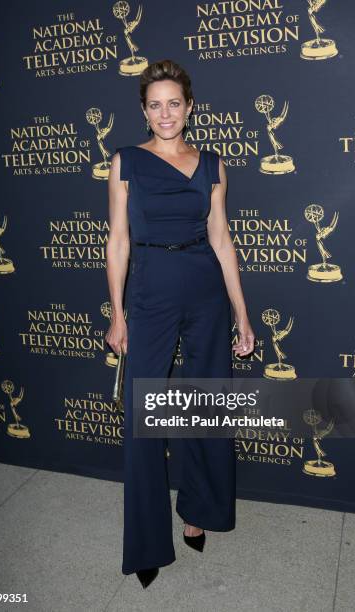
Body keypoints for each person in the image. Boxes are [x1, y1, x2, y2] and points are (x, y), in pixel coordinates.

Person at [105, 59, 255, 589]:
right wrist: (117, 313)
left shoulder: (213, 164)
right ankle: (146, 540)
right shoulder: (125, 162)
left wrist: (240, 310)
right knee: (145, 413)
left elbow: (222, 239)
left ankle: (199, 509)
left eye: (174, 103)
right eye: (154, 105)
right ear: (143, 111)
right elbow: (118, 241)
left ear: (189, 108)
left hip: (204, 286)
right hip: (151, 290)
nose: (165, 113)